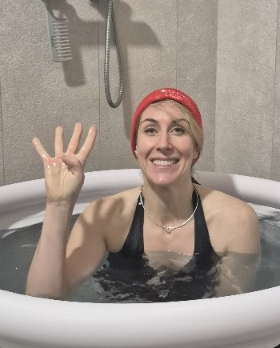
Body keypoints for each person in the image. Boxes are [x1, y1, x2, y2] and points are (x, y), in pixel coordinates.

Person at [26, 88, 260, 301]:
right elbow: (44, 301)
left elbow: (225, 319)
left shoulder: (236, 221)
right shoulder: (104, 218)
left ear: (196, 149)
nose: (163, 143)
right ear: (136, 148)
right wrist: (58, 204)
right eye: (150, 130)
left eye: (178, 129)